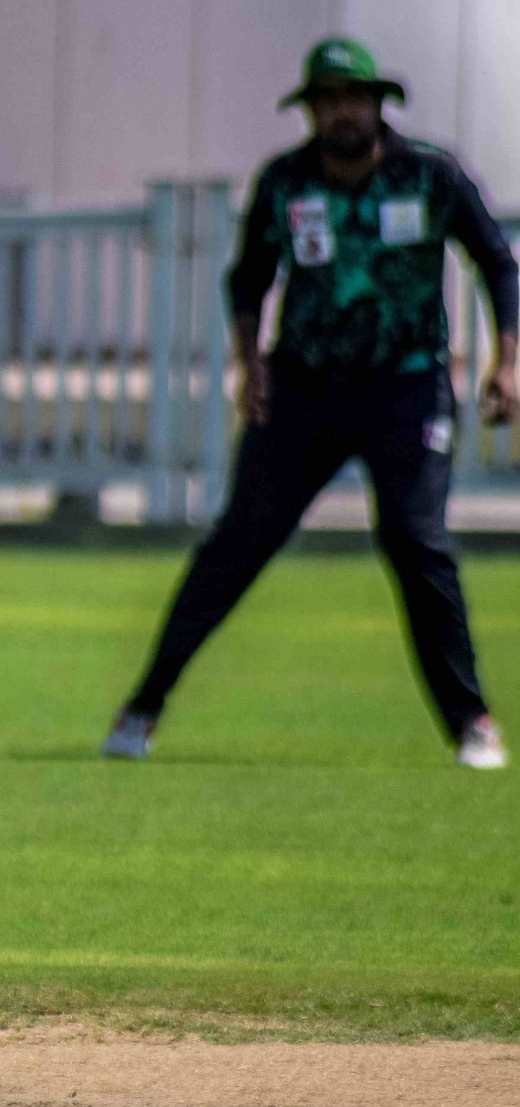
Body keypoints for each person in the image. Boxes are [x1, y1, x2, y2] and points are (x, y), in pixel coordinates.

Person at [105, 40, 520, 768]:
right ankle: (143, 706)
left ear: (378, 105)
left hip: (406, 386)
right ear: (311, 112)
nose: (343, 113)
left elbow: (496, 261)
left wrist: (508, 363)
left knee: (415, 540)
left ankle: (472, 721)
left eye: (354, 99)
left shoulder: (430, 175)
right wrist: (249, 364)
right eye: (328, 101)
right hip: (305, 388)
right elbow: (248, 279)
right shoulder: (286, 183)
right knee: (239, 543)